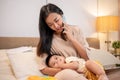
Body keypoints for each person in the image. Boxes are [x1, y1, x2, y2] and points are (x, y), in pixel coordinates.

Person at [37, 3, 93, 80]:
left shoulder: (76, 30)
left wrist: (72, 39)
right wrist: (68, 68)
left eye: (56, 20)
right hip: (64, 73)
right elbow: (43, 69)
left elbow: (87, 58)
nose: (56, 26)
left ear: (61, 14)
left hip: (82, 69)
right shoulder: (47, 40)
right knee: (68, 74)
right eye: (50, 25)